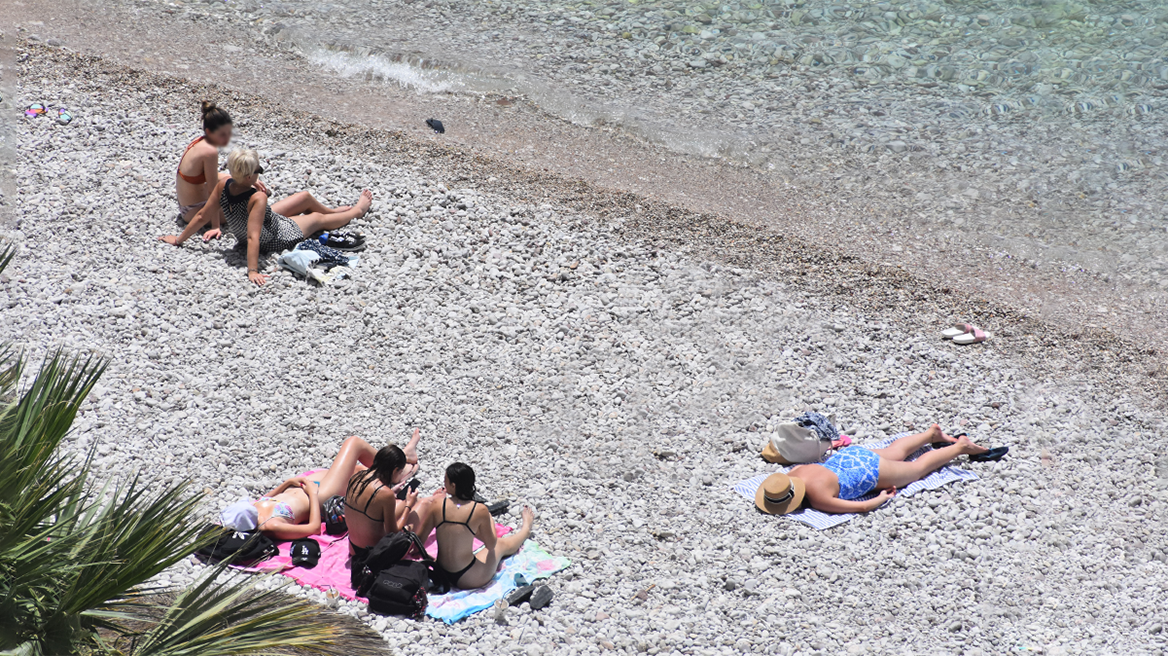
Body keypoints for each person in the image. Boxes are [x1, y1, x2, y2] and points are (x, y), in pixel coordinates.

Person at [160, 148, 372, 286]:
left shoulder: (222, 185)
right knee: (317, 219)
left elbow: (200, 216)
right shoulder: (258, 198)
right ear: (250, 176)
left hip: (258, 222)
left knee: (304, 197)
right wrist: (252, 271)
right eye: (258, 170)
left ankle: (334, 211)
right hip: (274, 236)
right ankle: (356, 211)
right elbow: (254, 237)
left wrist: (179, 240)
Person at [218, 434, 418, 541]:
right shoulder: (271, 526)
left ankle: (401, 465)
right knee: (353, 443)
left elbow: (265, 498)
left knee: (357, 469)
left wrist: (287, 483)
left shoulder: (252, 511)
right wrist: (313, 495)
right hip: (320, 497)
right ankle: (400, 469)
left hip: (309, 488)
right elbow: (313, 528)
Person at [756, 425, 990, 515]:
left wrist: (881, 497)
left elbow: (863, 506)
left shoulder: (819, 499)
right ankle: (931, 434)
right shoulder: (794, 473)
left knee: (917, 469)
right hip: (850, 456)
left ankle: (961, 446)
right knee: (895, 452)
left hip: (869, 473)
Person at [421, 462, 534, 590]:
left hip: (440, 572)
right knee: (499, 545)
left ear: (453, 485)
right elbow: (491, 545)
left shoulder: (436, 505)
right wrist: (488, 521)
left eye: (445, 480)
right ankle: (526, 529)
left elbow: (419, 540)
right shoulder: (479, 510)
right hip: (467, 578)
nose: (443, 483)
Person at [345, 429, 431, 573]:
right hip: (374, 555)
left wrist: (394, 495)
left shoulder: (357, 476)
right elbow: (393, 531)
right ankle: (417, 547)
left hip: (353, 548)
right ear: (395, 469)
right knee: (423, 505)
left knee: (400, 503)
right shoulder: (385, 494)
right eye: (400, 472)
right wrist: (409, 505)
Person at [175, 101, 270, 222]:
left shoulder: (198, 141)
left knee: (244, 183)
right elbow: (212, 192)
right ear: (209, 132)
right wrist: (216, 227)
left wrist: (246, 178)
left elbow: (212, 176)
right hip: (194, 211)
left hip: (186, 205)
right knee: (255, 205)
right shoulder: (210, 152)